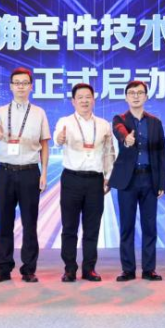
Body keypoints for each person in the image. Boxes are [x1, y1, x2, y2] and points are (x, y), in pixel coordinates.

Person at [0, 67, 51, 283]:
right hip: (5, 171)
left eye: (25, 83)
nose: (21, 86)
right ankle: (3, 268)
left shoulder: (39, 113)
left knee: (30, 223)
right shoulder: (0, 111)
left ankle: (29, 269)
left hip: (29, 172)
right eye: (17, 83)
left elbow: (44, 144)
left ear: (31, 87)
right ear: (11, 86)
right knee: (4, 221)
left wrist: (44, 173)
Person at [54, 83, 115, 282]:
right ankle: (69, 269)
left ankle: (89, 269)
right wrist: (60, 138)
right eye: (80, 97)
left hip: (95, 181)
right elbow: (57, 139)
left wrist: (109, 176)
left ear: (93, 100)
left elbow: (109, 152)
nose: (84, 101)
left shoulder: (103, 124)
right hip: (72, 178)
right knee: (69, 227)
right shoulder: (65, 122)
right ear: (73, 101)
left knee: (92, 227)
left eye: (88, 97)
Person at [109, 80, 165, 282]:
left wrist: (162, 182)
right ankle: (128, 269)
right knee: (127, 226)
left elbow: (161, 154)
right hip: (128, 180)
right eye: (132, 93)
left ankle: (149, 269)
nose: (136, 96)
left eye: (140, 92)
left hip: (149, 179)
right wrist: (126, 138)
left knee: (149, 226)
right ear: (126, 97)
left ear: (146, 97)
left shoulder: (155, 122)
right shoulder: (120, 119)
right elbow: (119, 130)